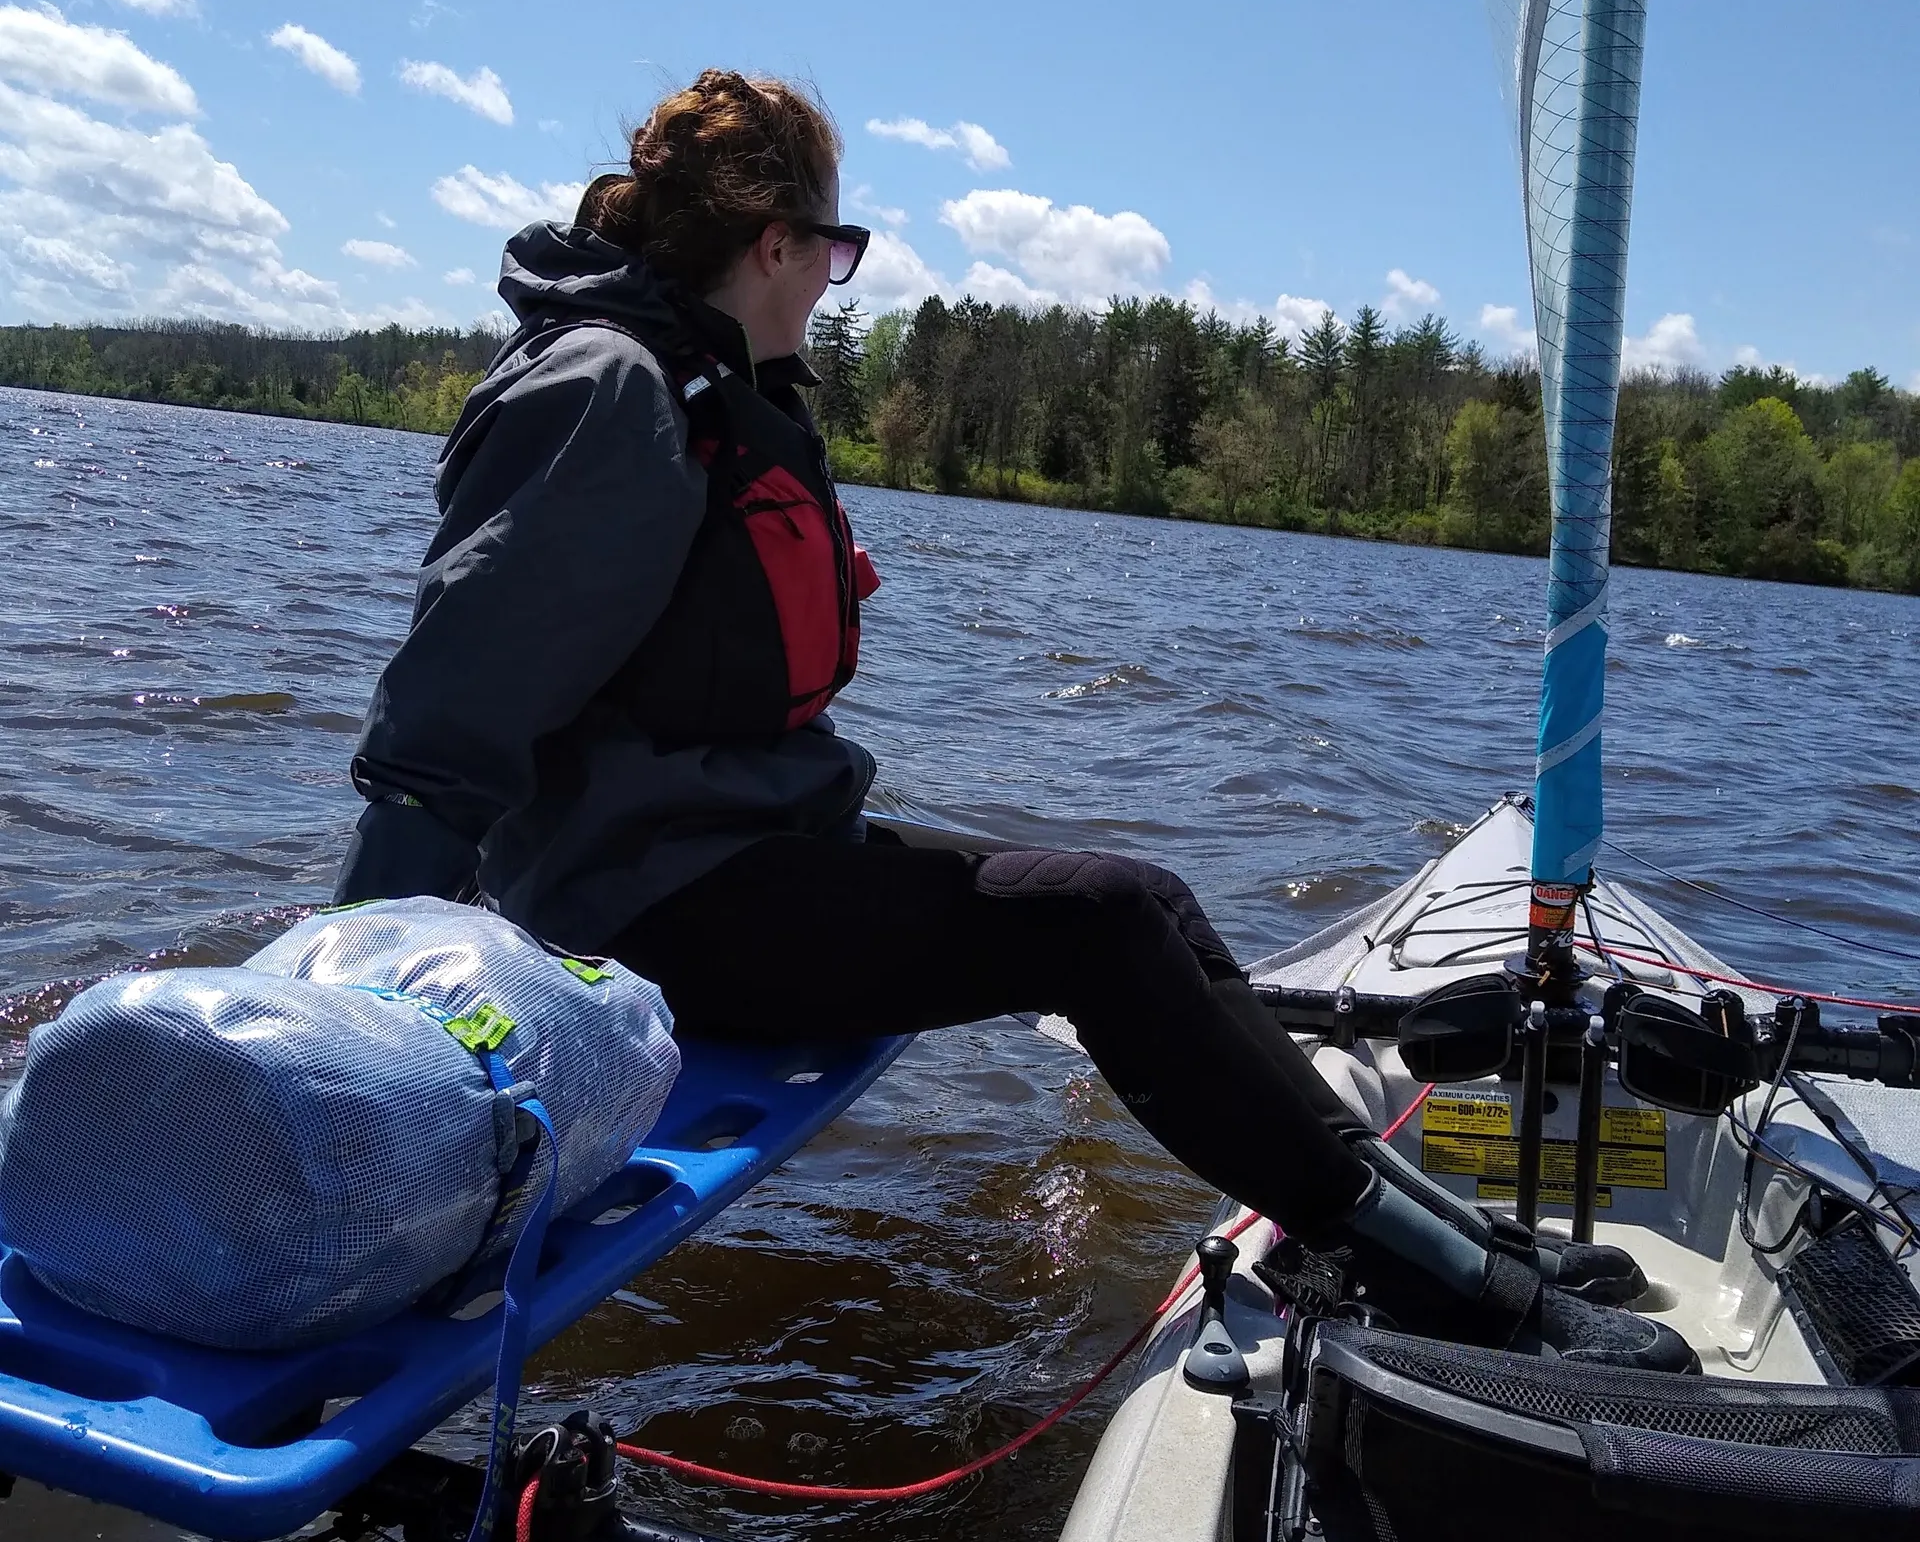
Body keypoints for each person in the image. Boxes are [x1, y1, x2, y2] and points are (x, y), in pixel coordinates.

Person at [336, 68, 1689, 1372]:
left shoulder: (693, 386)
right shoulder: (609, 392)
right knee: (1091, 926)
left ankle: (1430, 1235)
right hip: (639, 918)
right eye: (837, 245)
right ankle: (1458, 1290)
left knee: (1140, 900)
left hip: (721, 864)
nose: (834, 278)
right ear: (772, 244)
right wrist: (351, 1037)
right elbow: (443, 729)